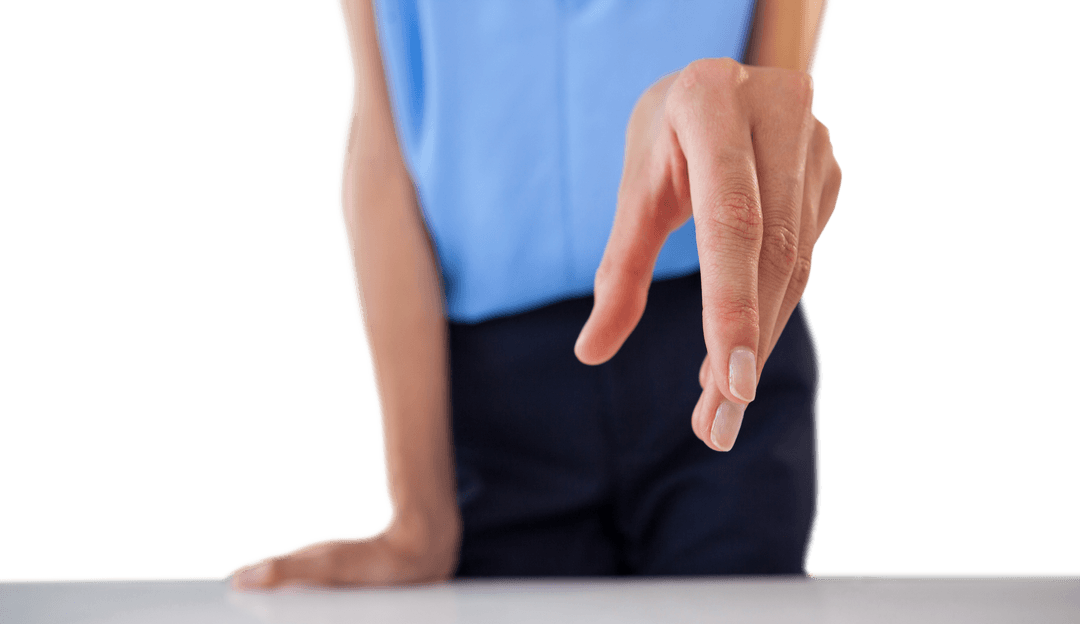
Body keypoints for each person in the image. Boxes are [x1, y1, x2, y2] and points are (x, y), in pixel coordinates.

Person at [228, 0, 842, 589]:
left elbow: (769, 116)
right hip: (491, 391)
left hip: (718, 348)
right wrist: (420, 517)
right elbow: (384, 153)